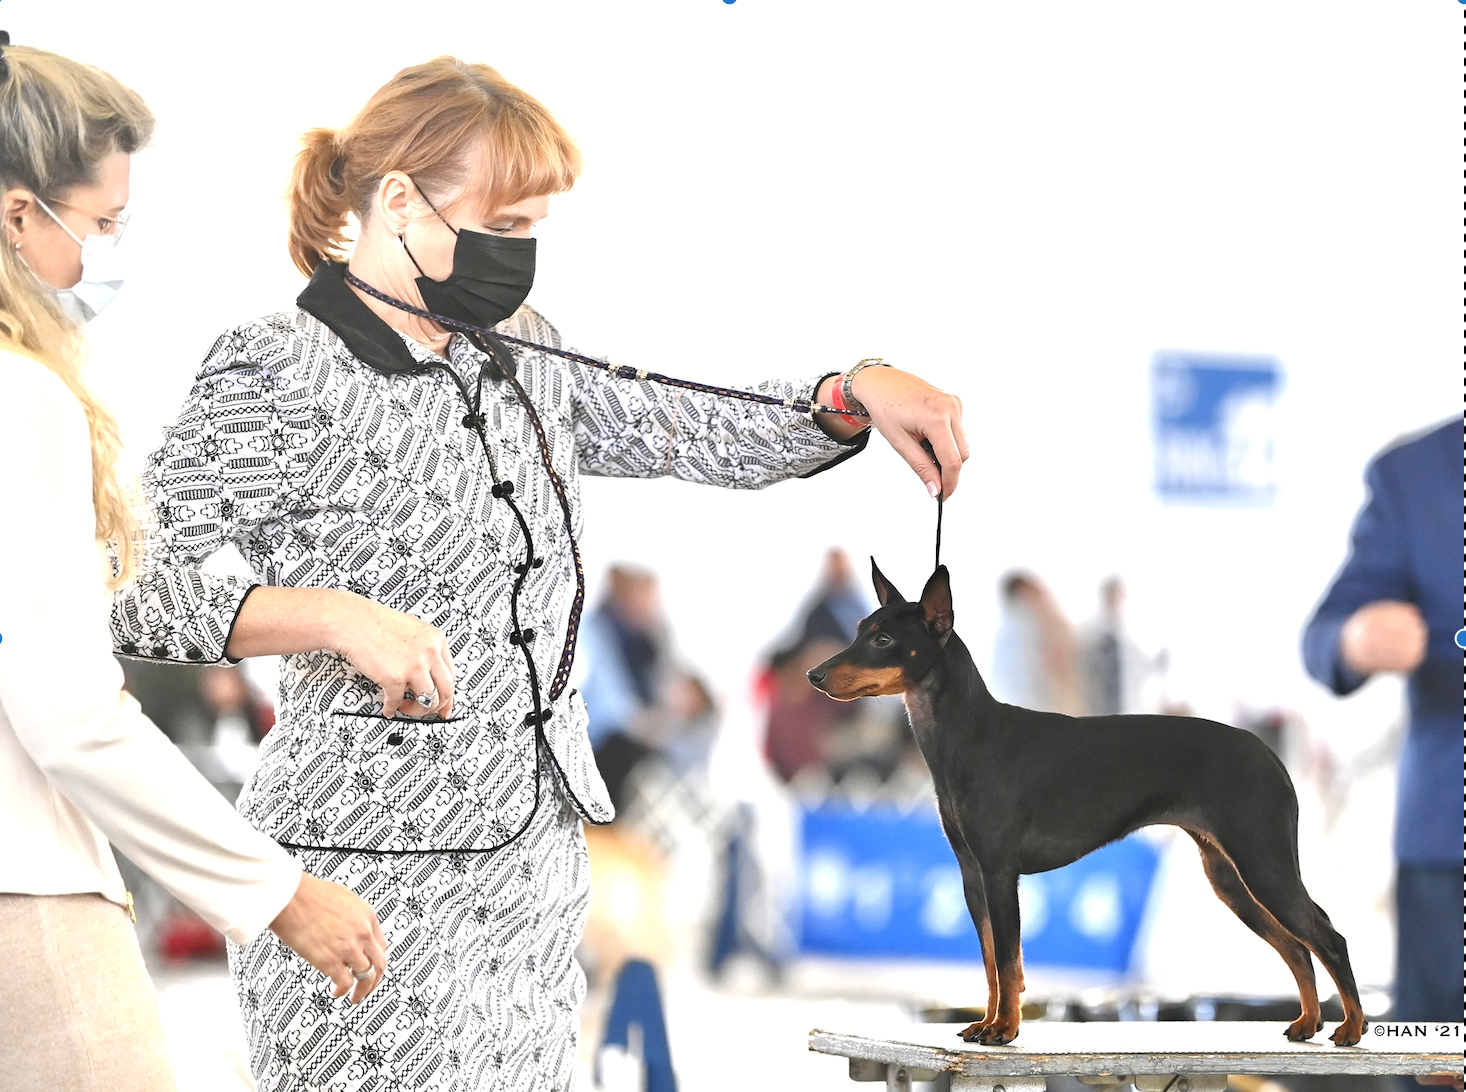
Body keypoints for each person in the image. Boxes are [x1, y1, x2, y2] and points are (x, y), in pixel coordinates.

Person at [111, 56, 968, 1090]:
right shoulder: (275, 367)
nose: (521, 253)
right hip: (357, 873)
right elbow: (123, 585)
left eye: (534, 227)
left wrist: (849, 391)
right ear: (399, 203)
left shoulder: (522, 348)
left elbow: (682, 424)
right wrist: (330, 616)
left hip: (533, 874)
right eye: (504, 224)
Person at [0, 41, 386, 1092]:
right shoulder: (22, 401)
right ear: (20, 215)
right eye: (105, 222)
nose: (108, 253)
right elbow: (69, 716)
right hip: (27, 899)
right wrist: (275, 891)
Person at [1302, 416, 1464, 1023]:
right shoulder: (1414, 476)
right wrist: (1355, 639)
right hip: (1450, 843)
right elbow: (1323, 633)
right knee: (1439, 1051)